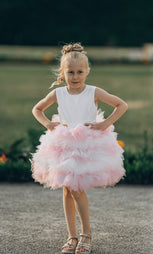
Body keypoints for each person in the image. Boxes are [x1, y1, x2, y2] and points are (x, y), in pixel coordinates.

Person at [30, 42, 128, 254]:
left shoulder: (93, 91)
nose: (75, 77)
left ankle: (86, 233)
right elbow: (37, 109)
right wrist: (47, 123)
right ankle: (72, 236)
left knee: (76, 190)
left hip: (86, 144)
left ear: (87, 71)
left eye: (80, 72)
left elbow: (121, 105)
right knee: (67, 190)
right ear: (62, 72)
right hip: (63, 144)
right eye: (70, 72)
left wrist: (104, 124)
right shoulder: (58, 94)